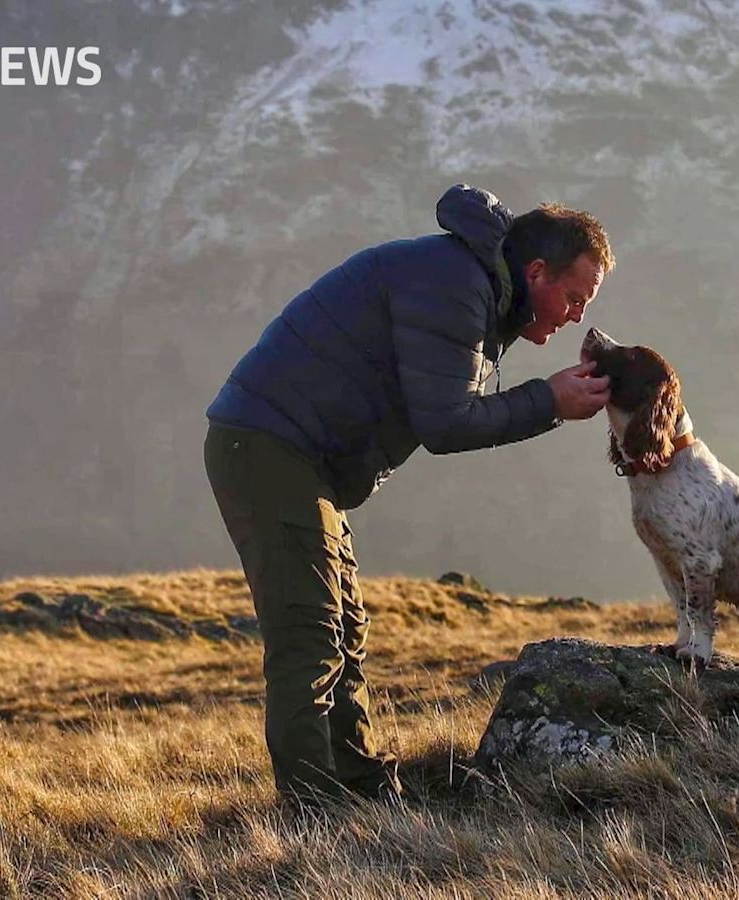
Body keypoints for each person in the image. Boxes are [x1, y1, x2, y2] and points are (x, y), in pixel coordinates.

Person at [203, 185, 613, 807]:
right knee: (310, 637)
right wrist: (548, 401)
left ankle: (365, 795)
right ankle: (316, 818)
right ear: (536, 272)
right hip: (270, 449)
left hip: (292, 455)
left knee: (344, 631)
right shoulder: (454, 284)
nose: (576, 316)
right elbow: (445, 423)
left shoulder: (474, 284)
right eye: (574, 298)